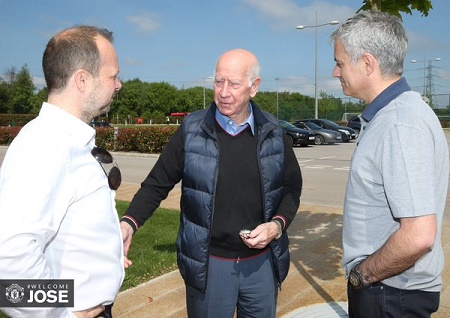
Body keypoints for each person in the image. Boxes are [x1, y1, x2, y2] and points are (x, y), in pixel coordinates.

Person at [120, 49, 302, 318]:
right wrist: (129, 222)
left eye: (234, 83)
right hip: (209, 268)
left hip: (261, 267)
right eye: (219, 81)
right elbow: (157, 184)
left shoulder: (274, 133)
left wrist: (277, 226)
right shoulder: (191, 131)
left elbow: (292, 189)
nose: (224, 92)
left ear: (255, 87)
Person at [0, 25, 127, 317]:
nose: (118, 84)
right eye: (113, 75)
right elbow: (7, 261)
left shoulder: (67, 141)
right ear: (82, 80)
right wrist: (59, 314)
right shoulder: (44, 146)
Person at [330, 11, 449, 317]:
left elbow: (419, 235)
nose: (335, 72)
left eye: (340, 62)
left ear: (368, 63)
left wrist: (362, 276)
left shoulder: (399, 123)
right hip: (391, 290)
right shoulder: (397, 114)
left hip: (389, 292)